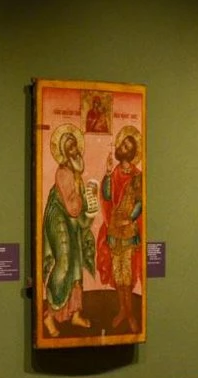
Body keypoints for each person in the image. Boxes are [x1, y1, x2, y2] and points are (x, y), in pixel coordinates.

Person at [40, 124, 95, 336]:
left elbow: (79, 211)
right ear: (65, 152)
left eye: (75, 146)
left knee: (76, 263)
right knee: (63, 263)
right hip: (58, 216)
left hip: (71, 217)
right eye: (70, 147)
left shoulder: (77, 173)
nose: (74, 150)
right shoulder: (63, 173)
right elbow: (72, 207)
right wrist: (84, 198)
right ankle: (49, 315)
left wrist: (89, 199)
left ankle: (75, 314)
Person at [97, 127, 144, 331]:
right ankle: (122, 310)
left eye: (126, 146)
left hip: (129, 230)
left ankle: (130, 313)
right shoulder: (115, 172)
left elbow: (140, 202)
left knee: (128, 274)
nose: (121, 147)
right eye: (122, 144)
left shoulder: (137, 176)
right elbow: (107, 196)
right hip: (114, 230)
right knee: (118, 274)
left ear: (131, 153)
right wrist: (108, 174)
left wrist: (130, 219)